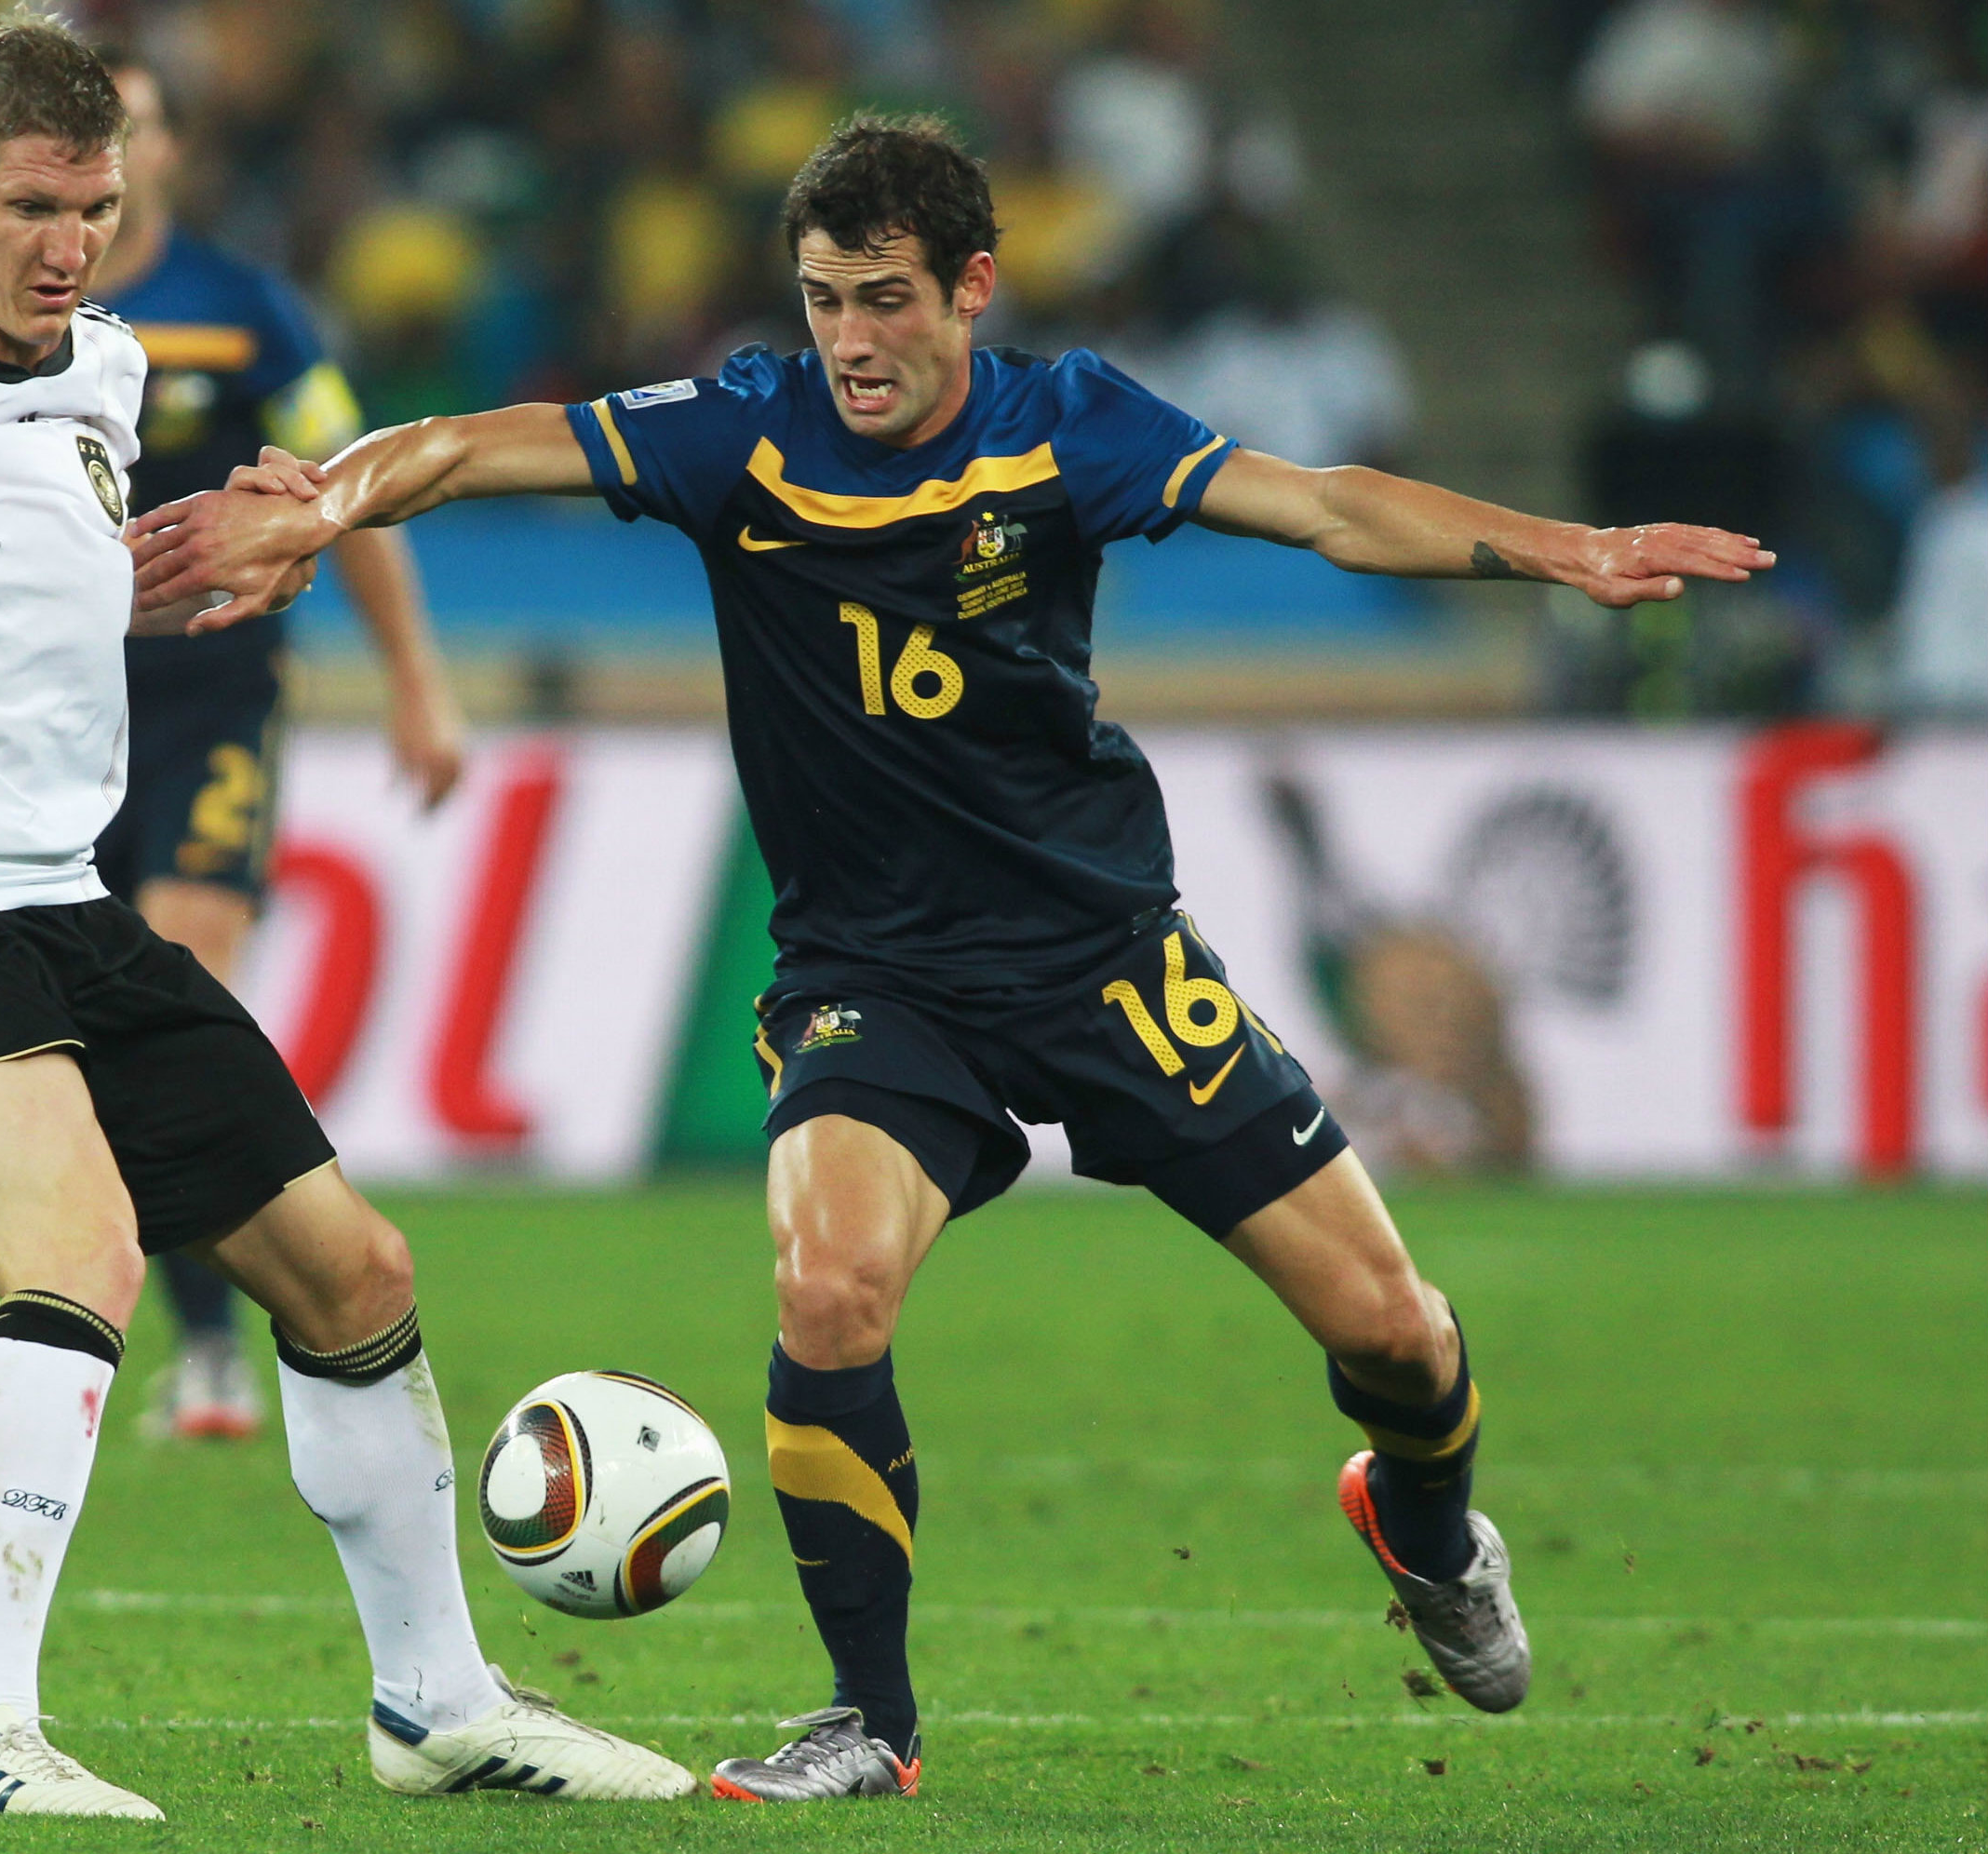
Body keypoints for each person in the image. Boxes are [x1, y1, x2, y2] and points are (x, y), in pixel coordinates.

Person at [131, 113, 1774, 1803]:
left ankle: (1429, 1530)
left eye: (888, 300)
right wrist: (322, 504)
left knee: (1398, 1332)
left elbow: (1332, 509)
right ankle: (871, 1725)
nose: (850, 339)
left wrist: (1567, 552)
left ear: (973, 288)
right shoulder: (742, 434)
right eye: (825, 298)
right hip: (873, 975)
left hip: (1105, 958)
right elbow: (478, 447)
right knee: (828, 1284)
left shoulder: (1071, 432)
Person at [0, 14, 690, 1816]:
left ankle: (439, 1704)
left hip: (66, 907)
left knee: (359, 1273)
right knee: (75, 1253)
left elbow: (13, 602)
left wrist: (172, 599)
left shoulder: (111, 367)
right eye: (30, 207)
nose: (69, 244)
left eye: (94, 203)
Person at [83, 49, 464, 1442]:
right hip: (49, 720)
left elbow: (346, 490)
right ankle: (160, 1325)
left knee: (183, 992)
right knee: (84, 1036)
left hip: (210, 706)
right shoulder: (7, 320)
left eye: (133, 125)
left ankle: (215, 1355)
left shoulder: (246, 314)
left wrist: (416, 680)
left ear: (172, 151)